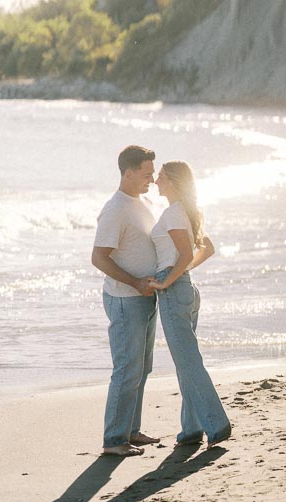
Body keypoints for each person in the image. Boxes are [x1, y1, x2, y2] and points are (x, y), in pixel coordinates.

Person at [147, 160, 232, 448]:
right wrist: (178, 274)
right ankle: (191, 429)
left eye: (160, 177)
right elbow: (206, 249)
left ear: (171, 180)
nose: (156, 181)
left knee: (188, 362)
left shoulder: (173, 213)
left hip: (175, 291)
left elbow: (184, 254)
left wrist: (165, 281)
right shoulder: (185, 211)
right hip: (185, 288)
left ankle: (216, 424)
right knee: (186, 362)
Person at [91, 145, 161, 457]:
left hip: (145, 297)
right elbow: (98, 257)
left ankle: (131, 429)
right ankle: (114, 440)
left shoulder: (141, 201)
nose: (152, 178)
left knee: (142, 367)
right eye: (147, 173)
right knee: (126, 369)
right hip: (125, 299)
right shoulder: (115, 208)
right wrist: (134, 282)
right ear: (128, 173)